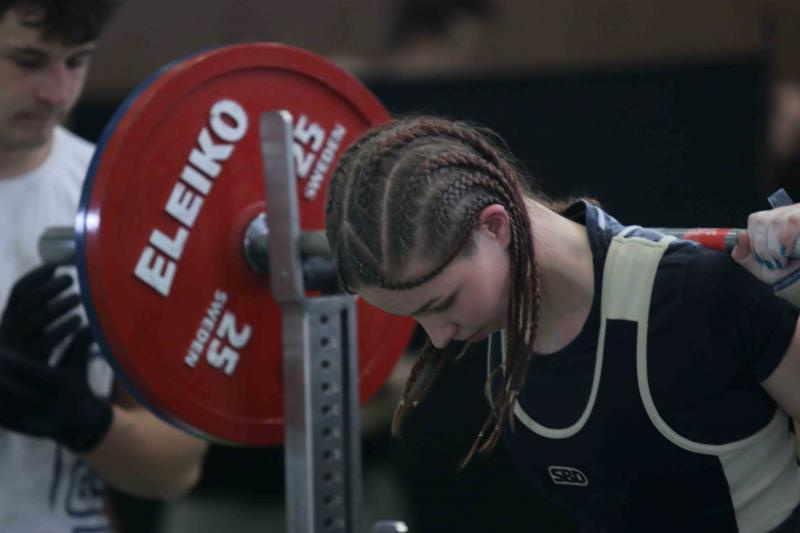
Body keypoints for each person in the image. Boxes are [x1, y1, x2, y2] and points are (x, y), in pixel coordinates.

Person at [325, 115, 800, 532]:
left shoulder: (697, 294)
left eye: (444, 302)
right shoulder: (504, 325)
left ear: (495, 227)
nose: (439, 335)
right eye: (416, 316)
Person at [0, 1, 208, 531]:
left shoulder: (121, 203)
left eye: (76, 61)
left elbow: (176, 469)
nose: (57, 93)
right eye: (28, 60)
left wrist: (87, 423)